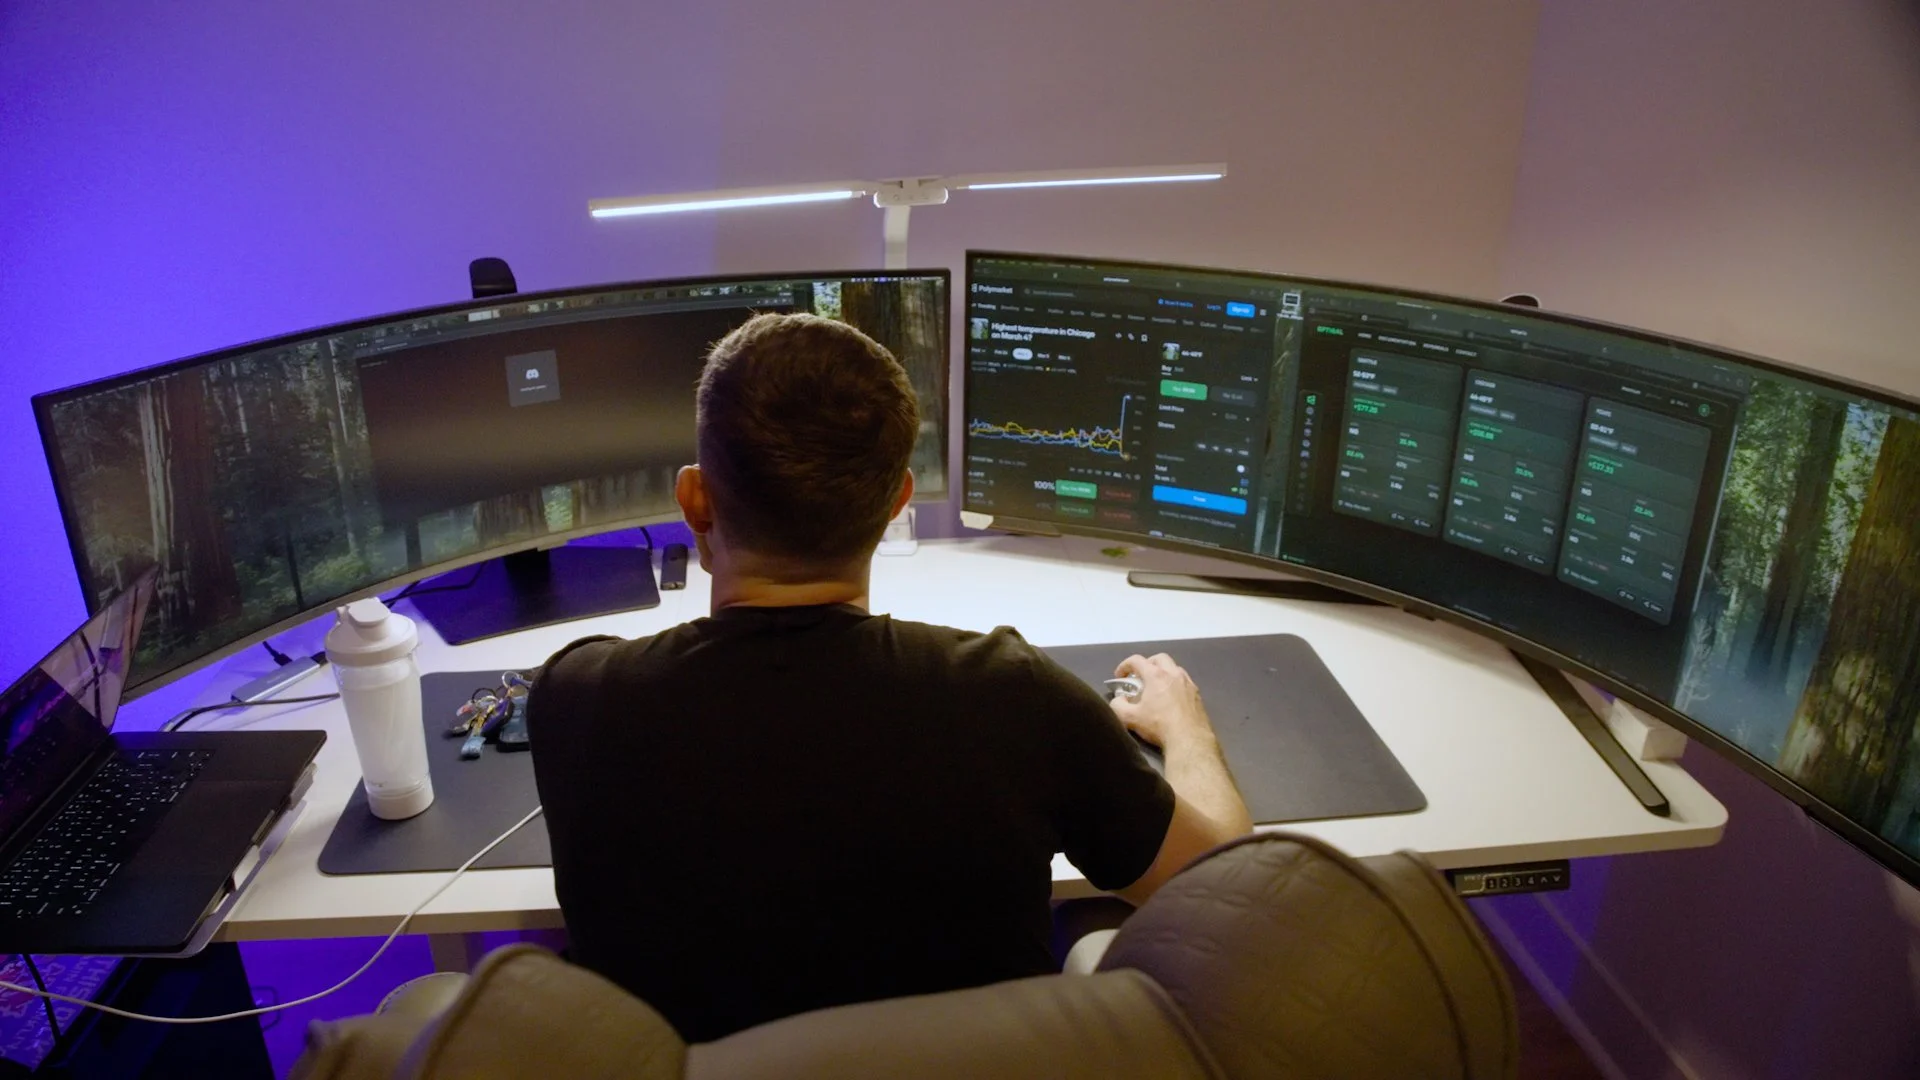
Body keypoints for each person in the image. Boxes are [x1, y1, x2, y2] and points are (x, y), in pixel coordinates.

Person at [528, 312, 1251, 1042]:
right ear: (896, 503)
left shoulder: (576, 698)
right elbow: (1224, 886)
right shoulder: (1014, 698)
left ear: (694, 500)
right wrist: (1186, 730)